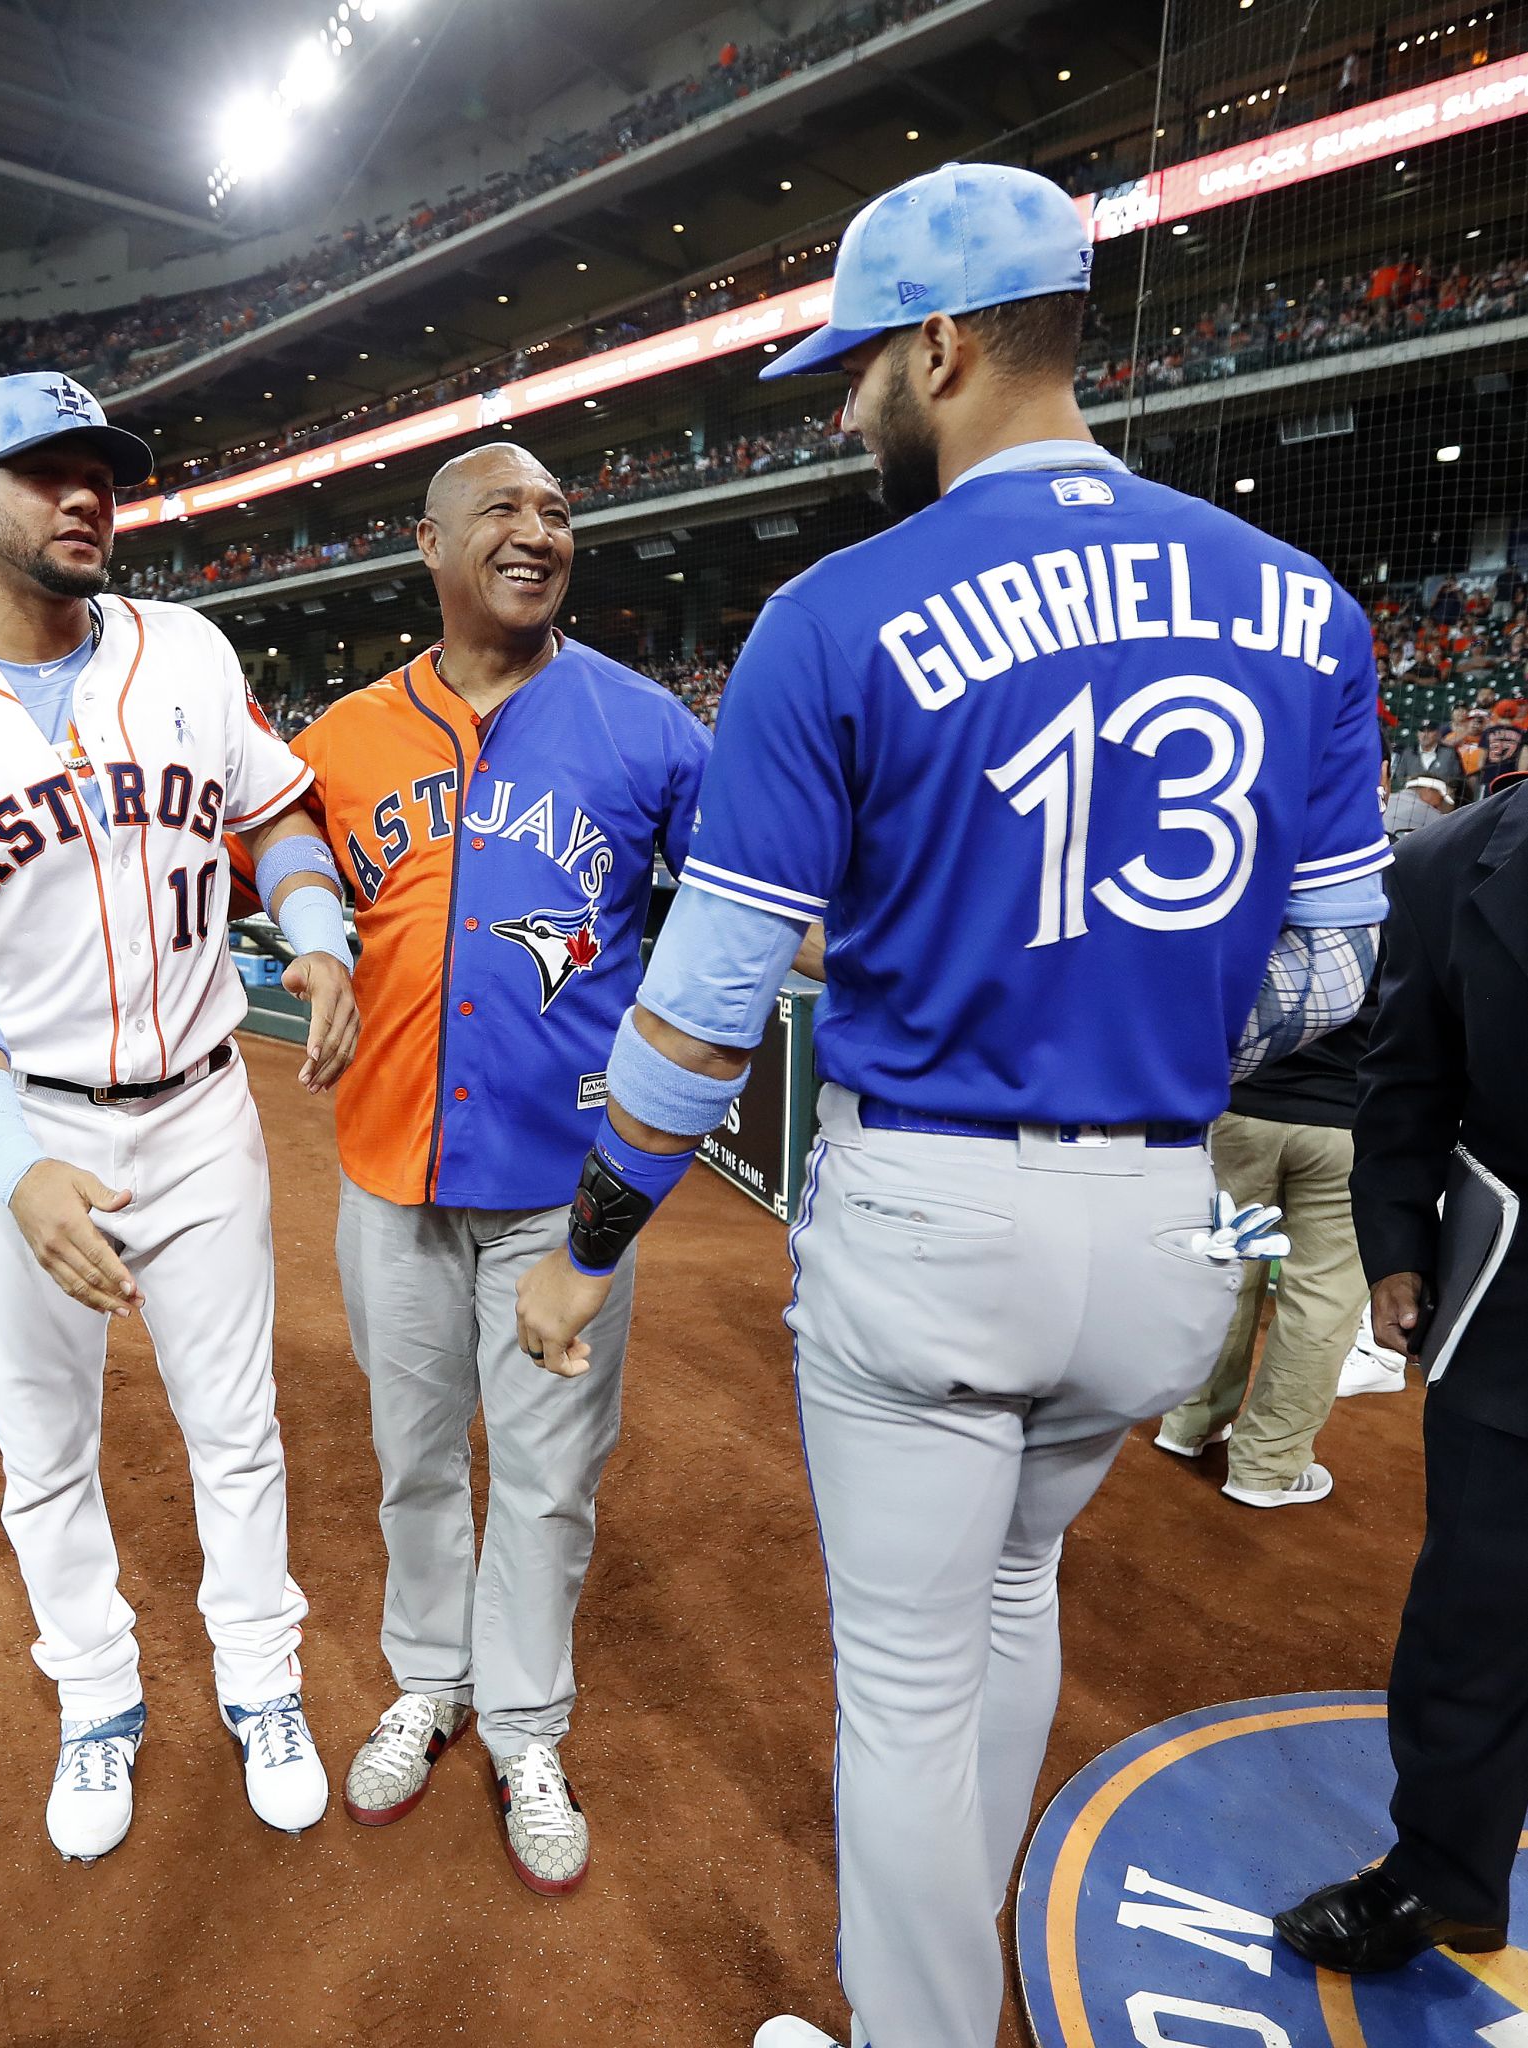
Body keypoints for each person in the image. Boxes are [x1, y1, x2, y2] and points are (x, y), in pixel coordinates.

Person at [513, 161, 1390, 2048]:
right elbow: (1330, 973)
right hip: (1163, 1223)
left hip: (929, 1215)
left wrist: (593, 1234)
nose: (841, 411)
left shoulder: (836, 610)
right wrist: (1128, 1024)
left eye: (855, 369)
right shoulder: (1303, 596)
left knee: (904, 1681)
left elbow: (704, 999)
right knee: (1009, 1597)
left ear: (945, 340)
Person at [0, 371, 359, 1863]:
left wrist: (315, 925)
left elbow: (275, 814)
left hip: (202, 1114)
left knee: (236, 1431)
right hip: (32, 1122)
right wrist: (12, 1166)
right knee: (47, 1450)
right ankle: (99, 1698)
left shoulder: (185, 648)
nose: (85, 496)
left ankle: (259, 1681)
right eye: (44, 470)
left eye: (103, 472)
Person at [287, 441, 709, 1892]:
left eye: (558, 513)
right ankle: (428, 1678)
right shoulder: (342, 737)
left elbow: (746, 917)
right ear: (429, 546)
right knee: (412, 1460)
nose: (538, 532)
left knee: (544, 1477)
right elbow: (281, 861)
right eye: (503, 512)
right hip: (387, 1175)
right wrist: (315, 945)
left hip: (561, 1195)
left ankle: (526, 1719)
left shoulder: (650, 730)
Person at [1277, 767, 1528, 1972]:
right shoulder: (1443, 863)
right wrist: (1394, 1243)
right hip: (1518, 1289)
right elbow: (1406, 1075)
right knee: (1473, 1610)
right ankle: (1442, 1875)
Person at [1154, 996, 1376, 1506]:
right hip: (1349, 1123)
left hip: (1242, 1109)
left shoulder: (1259, 909)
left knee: (1222, 1268)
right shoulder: (1410, 917)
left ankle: (1190, 1423)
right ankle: (1266, 1469)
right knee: (1322, 1299)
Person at [1389, 718, 1466, 806]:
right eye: (1422, 731)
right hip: (1412, 802)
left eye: (1429, 731)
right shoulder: (1408, 753)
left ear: (1438, 734)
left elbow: (1458, 779)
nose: (1425, 735)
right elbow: (1400, 777)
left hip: (1441, 803)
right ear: (1417, 734)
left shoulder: (1449, 753)